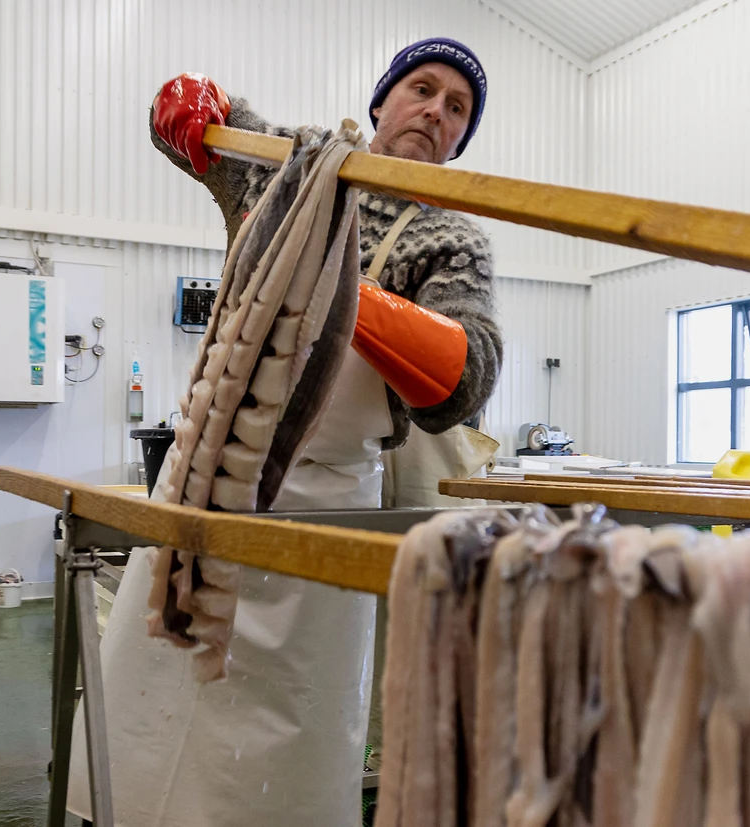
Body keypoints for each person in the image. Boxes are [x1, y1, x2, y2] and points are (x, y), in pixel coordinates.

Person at [65, 37, 503, 827]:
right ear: (382, 101)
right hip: (206, 472)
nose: (435, 111)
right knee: (151, 698)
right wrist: (185, 105)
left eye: (457, 108)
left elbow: (465, 378)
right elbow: (201, 128)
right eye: (422, 89)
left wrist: (327, 283)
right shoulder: (296, 169)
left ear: (460, 141)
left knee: (288, 744)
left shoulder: (454, 243)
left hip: (324, 513)